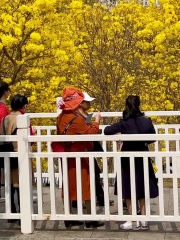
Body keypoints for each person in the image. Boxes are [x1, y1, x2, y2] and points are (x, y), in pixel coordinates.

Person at [103, 95, 159, 231]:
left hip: (128, 160)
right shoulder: (146, 121)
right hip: (143, 158)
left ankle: (133, 220)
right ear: (139, 105)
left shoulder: (124, 122)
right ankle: (144, 220)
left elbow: (106, 131)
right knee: (142, 187)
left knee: (128, 188)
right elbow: (153, 137)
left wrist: (121, 135)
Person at [56, 87, 105, 229]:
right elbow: (92, 131)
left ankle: (69, 216)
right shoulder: (75, 118)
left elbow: (84, 126)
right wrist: (97, 120)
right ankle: (90, 218)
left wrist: (87, 116)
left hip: (68, 155)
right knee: (87, 185)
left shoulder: (62, 117)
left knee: (69, 185)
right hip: (80, 155)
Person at [0, 94, 35, 223]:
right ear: (24, 106)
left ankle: (11, 212)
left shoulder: (5, 118)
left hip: (7, 155)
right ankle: (22, 214)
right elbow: (31, 139)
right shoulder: (22, 118)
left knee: (9, 184)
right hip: (20, 155)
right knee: (21, 184)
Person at [79, 91, 113, 207]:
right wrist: (97, 121)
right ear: (81, 103)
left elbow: (88, 127)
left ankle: (100, 198)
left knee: (95, 172)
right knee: (92, 172)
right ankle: (100, 198)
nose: (89, 104)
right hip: (84, 148)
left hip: (89, 147)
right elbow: (90, 131)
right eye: (87, 102)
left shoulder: (85, 115)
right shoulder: (78, 116)